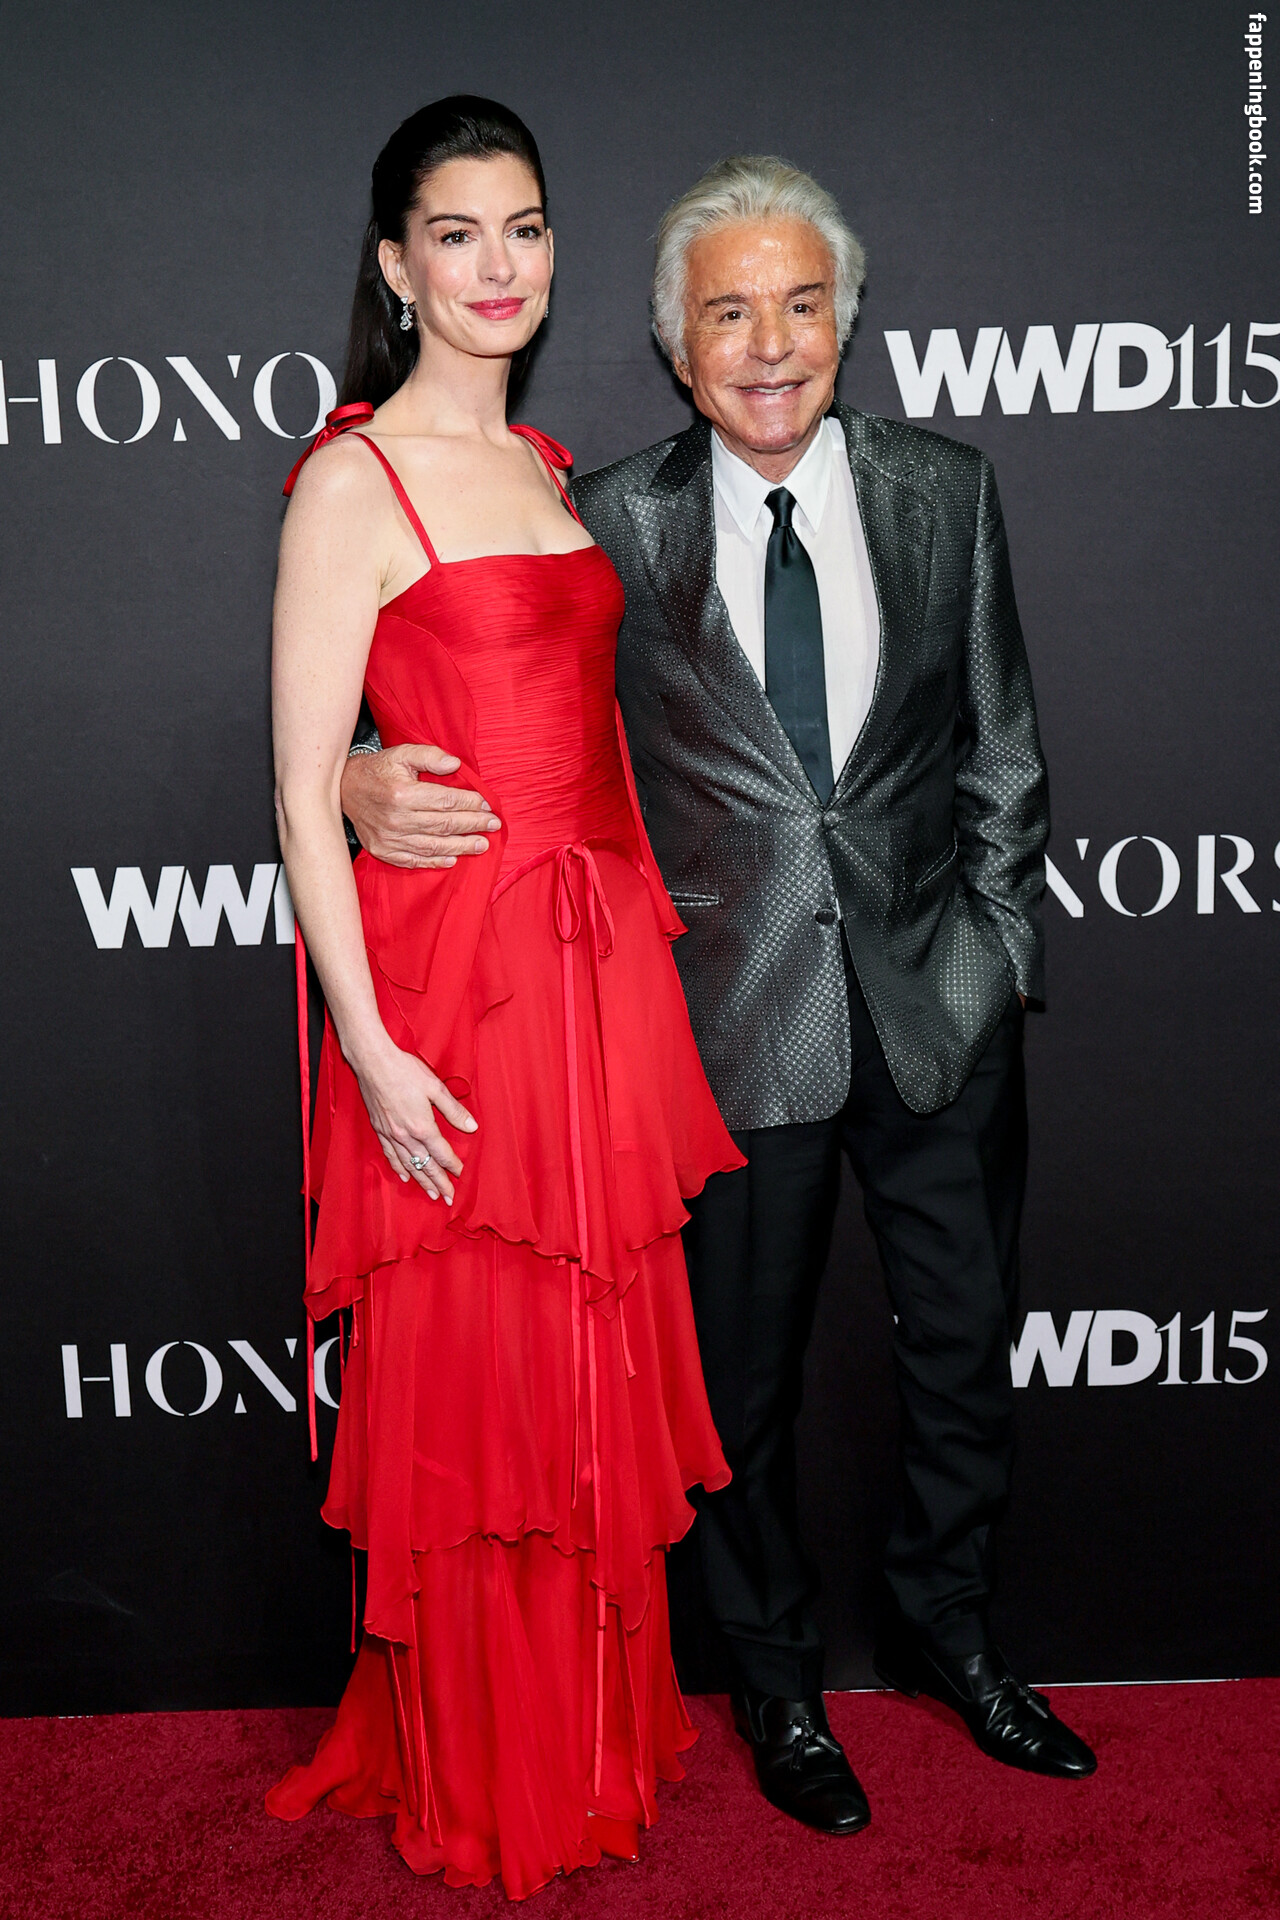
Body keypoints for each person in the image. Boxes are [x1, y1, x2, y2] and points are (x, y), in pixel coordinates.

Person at [342, 154, 1098, 1836]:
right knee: (735, 1393)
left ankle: (951, 1627)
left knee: (965, 1352)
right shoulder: (604, 521)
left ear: (846, 323)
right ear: (677, 348)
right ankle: (775, 1679)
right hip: (718, 1030)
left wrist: (992, 961)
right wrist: (350, 776)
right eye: (731, 314)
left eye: (802, 306)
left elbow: (1005, 751)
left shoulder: (945, 489)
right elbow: (489, 702)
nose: (770, 346)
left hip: (938, 1009)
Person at [266, 99, 743, 1898]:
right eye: (455, 234)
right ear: (396, 267)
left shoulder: (547, 466)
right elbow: (300, 793)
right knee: (484, 1381)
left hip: (594, 974)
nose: (497, 266)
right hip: (456, 1000)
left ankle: (589, 1730)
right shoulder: (352, 479)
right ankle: (493, 1765)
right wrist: (370, 1050)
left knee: (585, 1370)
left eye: (525, 229)